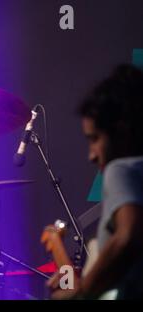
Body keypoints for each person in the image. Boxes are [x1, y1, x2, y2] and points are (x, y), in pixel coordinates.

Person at [49, 64, 143, 299]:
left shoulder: (120, 169)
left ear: (122, 130)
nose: (91, 155)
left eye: (95, 139)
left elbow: (128, 235)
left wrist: (82, 292)